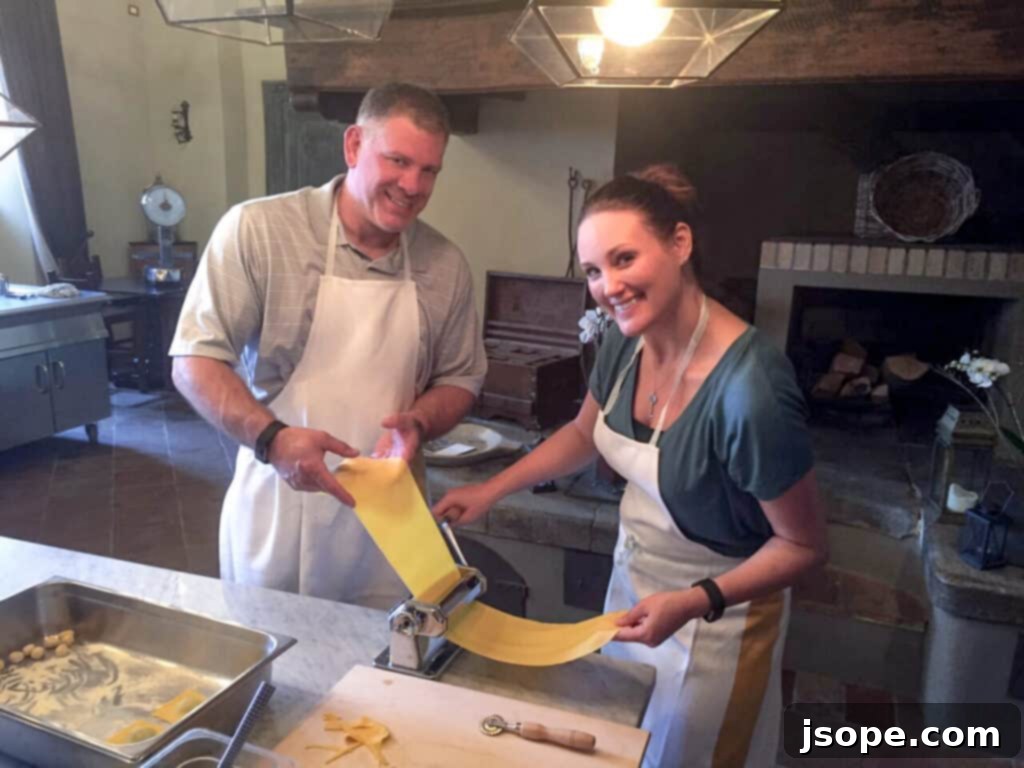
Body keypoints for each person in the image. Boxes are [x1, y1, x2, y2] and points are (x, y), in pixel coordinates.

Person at [433, 164, 827, 767]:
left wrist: (693, 601)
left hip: (718, 624)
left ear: (679, 244)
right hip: (634, 600)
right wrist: (493, 489)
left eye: (623, 259)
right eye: (593, 269)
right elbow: (583, 432)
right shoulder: (623, 339)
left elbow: (803, 546)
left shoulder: (751, 390)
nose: (607, 285)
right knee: (621, 748)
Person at [170, 83, 487, 609]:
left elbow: (461, 377)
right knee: (276, 672)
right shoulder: (259, 231)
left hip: (389, 526)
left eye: (429, 170)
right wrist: (272, 439)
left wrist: (420, 422)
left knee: (383, 674)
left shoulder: (444, 263)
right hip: (277, 504)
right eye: (398, 160)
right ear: (354, 145)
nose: (412, 185)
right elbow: (194, 359)